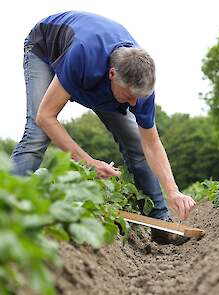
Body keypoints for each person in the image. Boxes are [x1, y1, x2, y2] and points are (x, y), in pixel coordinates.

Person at [11, 11, 196, 245]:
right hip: (45, 48)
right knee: (37, 136)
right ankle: (7, 210)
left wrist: (173, 190)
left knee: (135, 142)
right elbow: (46, 117)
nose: (133, 105)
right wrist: (88, 162)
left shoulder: (140, 89)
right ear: (112, 75)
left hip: (99, 78)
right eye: (129, 97)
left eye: (137, 99)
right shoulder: (83, 55)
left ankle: (160, 220)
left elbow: (151, 143)